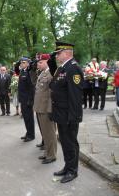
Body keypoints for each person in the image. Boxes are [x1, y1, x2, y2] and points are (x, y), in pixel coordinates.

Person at [49, 41, 83, 183]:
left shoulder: (73, 69)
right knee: (64, 141)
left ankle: (72, 171)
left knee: (70, 143)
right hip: (61, 114)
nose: (56, 56)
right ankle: (67, 166)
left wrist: (74, 117)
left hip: (69, 115)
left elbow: (75, 97)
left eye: (58, 53)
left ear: (67, 53)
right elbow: (54, 84)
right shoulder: (63, 68)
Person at [33, 53, 57, 164]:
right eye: (38, 62)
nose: (38, 64)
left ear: (47, 62)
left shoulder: (51, 74)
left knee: (49, 133)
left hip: (46, 108)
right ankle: (47, 152)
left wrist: (50, 109)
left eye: (40, 62)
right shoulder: (42, 73)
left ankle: (51, 155)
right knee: (44, 133)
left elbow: (52, 93)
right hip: (39, 107)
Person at [18, 57, 35, 142]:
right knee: (25, 117)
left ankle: (31, 135)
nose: (21, 63)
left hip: (27, 100)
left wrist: (30, 100)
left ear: (28, 64)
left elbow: (31, 88)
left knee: (29, 118)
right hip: (23, 99)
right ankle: (28, 132)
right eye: (21, 62)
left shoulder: (29, 73)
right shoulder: (22, 71)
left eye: (24, 62)